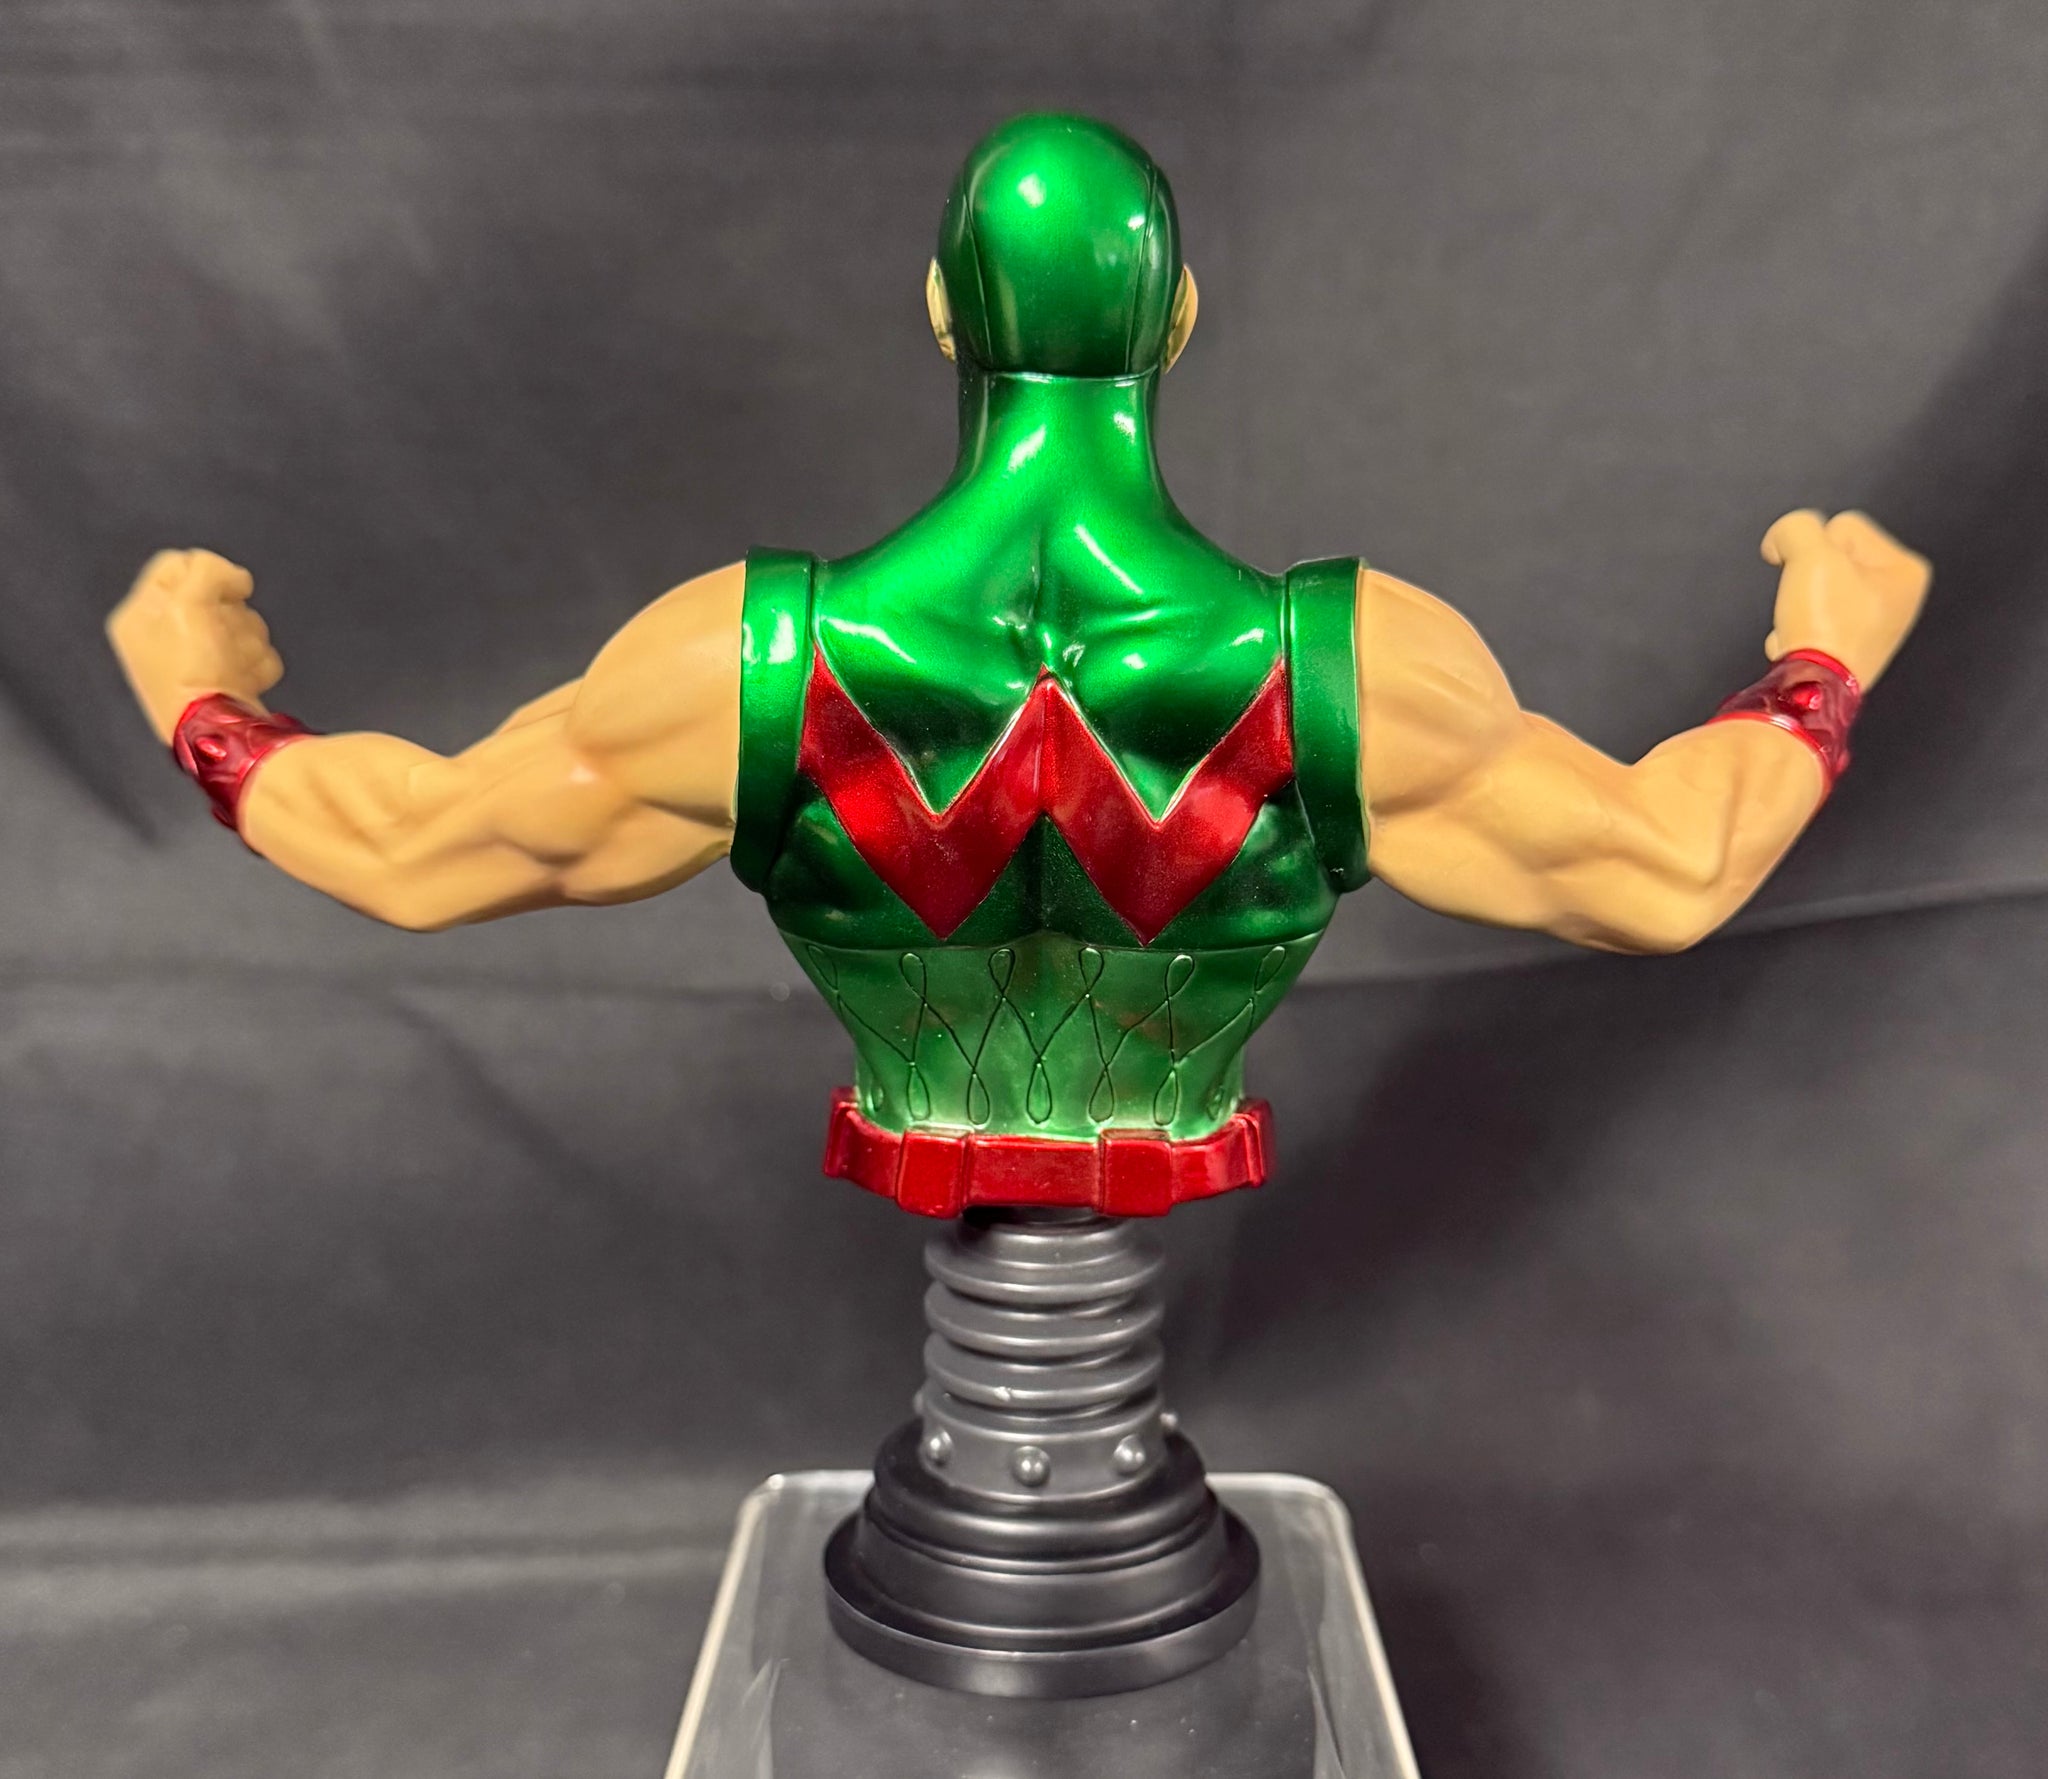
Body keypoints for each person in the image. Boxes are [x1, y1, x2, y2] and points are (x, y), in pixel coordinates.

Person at [107, 113, 1929, 1223]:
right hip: (1161, 1133)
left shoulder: (748, 660)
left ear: (936, 316)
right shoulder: (1348, 667)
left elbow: (411, 851)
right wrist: (1822, 660)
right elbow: (1670, 869)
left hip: (924, 1111)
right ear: (1181, 322)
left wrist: (204, 703)